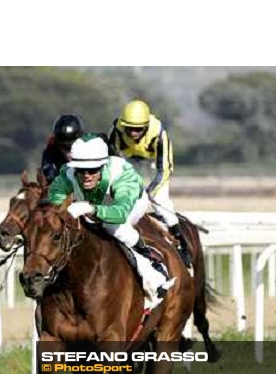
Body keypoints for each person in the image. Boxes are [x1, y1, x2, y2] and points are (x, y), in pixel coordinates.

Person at [47, 134, 175, 309]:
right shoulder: (67, 173)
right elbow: (52, 206)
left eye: (92, 170)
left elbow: (120, 212)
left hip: (131, 203)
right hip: (93, 202)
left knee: (113, 227)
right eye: (81, 170)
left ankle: (153, 271)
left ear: (103, 165)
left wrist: (92, 209)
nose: (86, 176)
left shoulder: (121, 175)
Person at [108, 99, 192, 267]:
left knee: (161, 203)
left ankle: (183, 245)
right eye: (129, 128)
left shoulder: (160, 135)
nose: (132, 133)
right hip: (129, 163)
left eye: (137, 129)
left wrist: (150, 190)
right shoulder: (116, 132)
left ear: (146, 126)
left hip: (155, 165)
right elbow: (113, 162)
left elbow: (165, 169)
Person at [40, 114, 85, 184]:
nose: (68, 152)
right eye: (63, 147)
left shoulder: (89, 150)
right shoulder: (50, 151)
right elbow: (48, 174)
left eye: (71, 146)